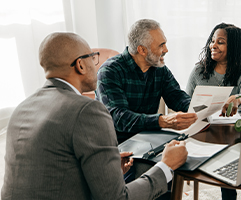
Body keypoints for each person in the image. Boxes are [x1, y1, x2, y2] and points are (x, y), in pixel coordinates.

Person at [1, 32, 188, 200]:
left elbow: (54, 170)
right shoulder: (87, 111)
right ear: (80, 65)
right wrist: (166, 166)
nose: (96, 63)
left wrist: (108, 167)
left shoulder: (22, 108)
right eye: (93, 57)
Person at [186, 23, 241, 200]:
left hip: (236, 131)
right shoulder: (198, 70)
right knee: (225, 168)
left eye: (220, 42)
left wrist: (239, 98)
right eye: (212, 41)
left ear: (233, 46)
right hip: (207, 131)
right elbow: (186, 100)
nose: (213, 45)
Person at [95, 19, 197, 144]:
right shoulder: (109, 71)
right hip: (116, 145)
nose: (166, 50)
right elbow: (119, 118)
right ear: (142, 50)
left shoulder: (160, 69)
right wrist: (161, 121)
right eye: (161, 45)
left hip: (147, 140)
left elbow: (176, 97)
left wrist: (200, 108)